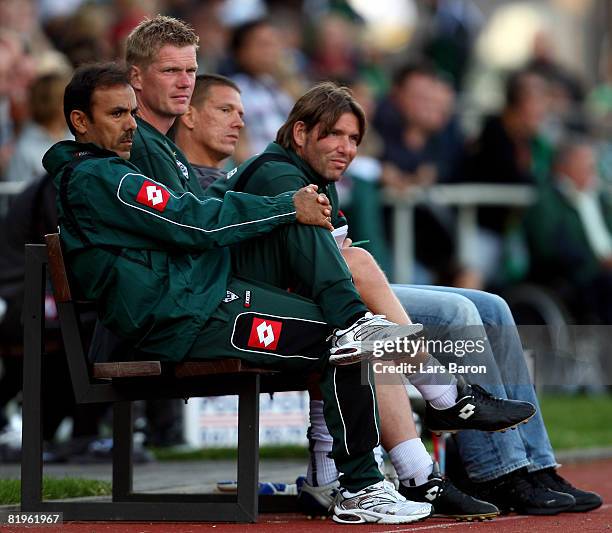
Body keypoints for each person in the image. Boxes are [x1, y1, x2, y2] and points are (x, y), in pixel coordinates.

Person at [45, 61, 439, 526]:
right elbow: (193, 220)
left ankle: (359, 475)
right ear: (80, 122)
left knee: (346, 333)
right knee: (342, 337)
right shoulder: (102, 178)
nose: (131, 124)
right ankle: (363, 484)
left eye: (132, 113)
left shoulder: (110, 171)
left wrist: (286, 211)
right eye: (116, 114)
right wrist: (283, 207)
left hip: (199, 301)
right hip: (180, 320)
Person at [209, 81, 602, 516]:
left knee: (492, 305)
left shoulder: (315, 174)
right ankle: (497, 467)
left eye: (354, 138)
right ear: (300, 133)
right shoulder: (278, 172)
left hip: (334, 290)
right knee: (456, 311)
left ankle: (535, 466)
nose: (346, 147)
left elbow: (331, 252)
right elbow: (317, 263)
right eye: (334, 134)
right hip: (289, 303)